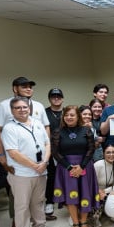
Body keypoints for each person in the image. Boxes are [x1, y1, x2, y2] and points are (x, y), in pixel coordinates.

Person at [0, 76, 50, 227]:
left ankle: (39, 225)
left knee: (38, 199)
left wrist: (45, 157)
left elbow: (46, 129)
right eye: (24, 86)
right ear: (14, 88)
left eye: (30, 86)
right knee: (20, 200)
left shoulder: (37, 106)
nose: (28, 88)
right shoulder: (4, 106)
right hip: (18, 161)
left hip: (40, 164)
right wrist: (1, 155)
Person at [1, 97, 57, 227]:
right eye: (18, 108)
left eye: (24, 107)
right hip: (22, 174)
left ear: (29, 108)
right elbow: (13, 153)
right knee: (22, 206)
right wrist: (34, 165)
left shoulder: (37, 123)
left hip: (41, 171)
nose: (22, 110)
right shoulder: (9, 128)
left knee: (38, 201)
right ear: (12, 110)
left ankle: (40, 226)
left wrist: (44, 162)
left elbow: (47, 143)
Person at [52, 105, 99, 227]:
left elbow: (91, 149)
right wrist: (69, 167)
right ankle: (75, 223)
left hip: (85, 166)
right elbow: (56, 153)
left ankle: (84, 222)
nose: (69, 117)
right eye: (66, 115)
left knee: (85, 194)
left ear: (78, 116)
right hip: (66, 168)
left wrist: (81, 167)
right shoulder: (58, 132)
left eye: (72, 115)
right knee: (70, 197)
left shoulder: (86, 130)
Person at [44, 88, 64, 220]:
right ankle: (49, 201)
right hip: (50, 149)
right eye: (53, 96)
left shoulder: (67, 112)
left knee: (64, 175)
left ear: (62, 98)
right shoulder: (44, 113)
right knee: (51, 176)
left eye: (58, 96)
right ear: (50, 98)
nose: (56, 98)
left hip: (65, 149)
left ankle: (63, 199)